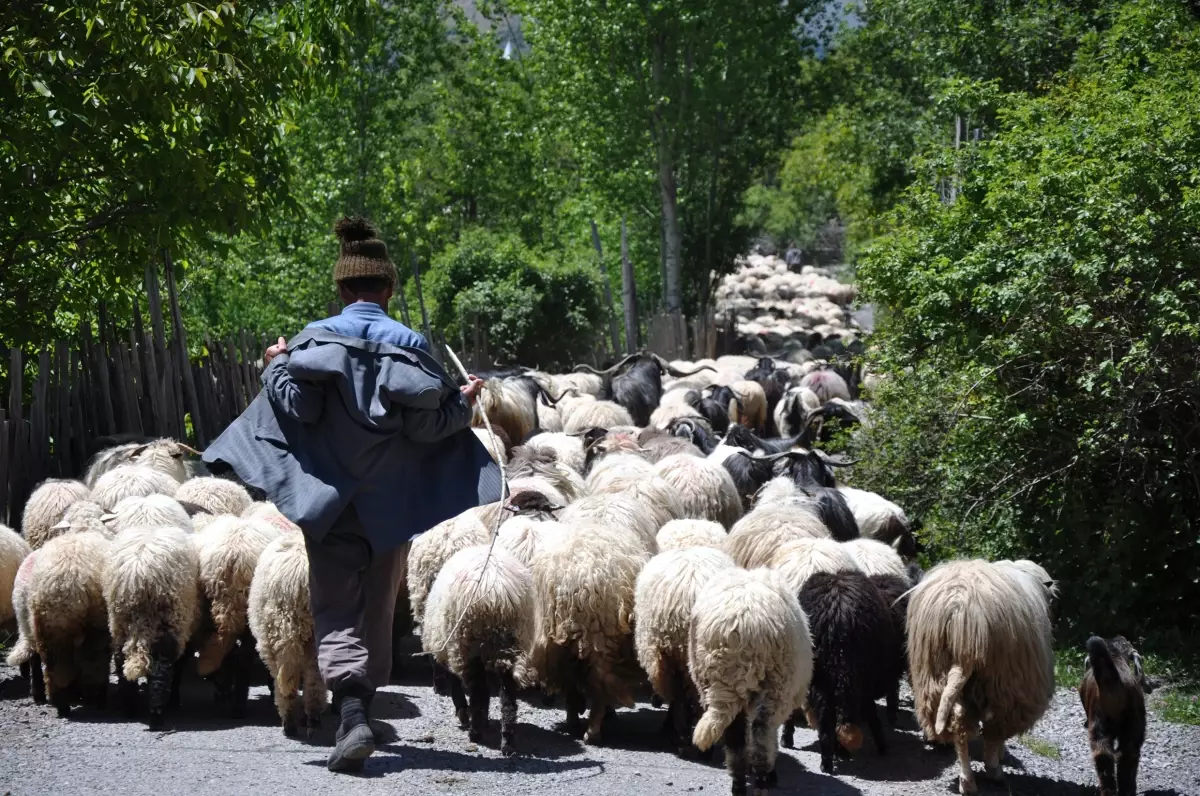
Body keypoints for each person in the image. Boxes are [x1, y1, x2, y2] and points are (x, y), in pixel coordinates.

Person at [202, 217, 502, 772]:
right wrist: (462, 403)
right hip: (392, 508)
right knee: (378, 608)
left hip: (332, 505)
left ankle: (353, 716)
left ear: (341, 291)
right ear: (388, 290)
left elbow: (300, 407)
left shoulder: (313, 340)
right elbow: (427, 428)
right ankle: (360, 710)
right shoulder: (410, 345)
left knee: (335, 607)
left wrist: (274, 368)